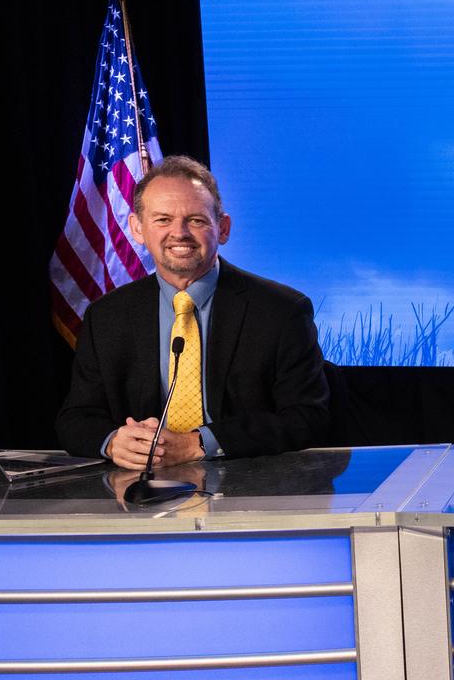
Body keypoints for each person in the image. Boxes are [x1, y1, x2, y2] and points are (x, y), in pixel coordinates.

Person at [57, 156, 329, 469]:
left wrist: (198, 443)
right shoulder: (106, 316)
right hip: (140, 497)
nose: (179, 233)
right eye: (162, 220)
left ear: (223, 228)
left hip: (248, 488)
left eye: (196, 220)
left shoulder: (282, 311)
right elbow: (75, 419)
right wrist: (113, 441)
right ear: (137, 228)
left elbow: (307, 417)